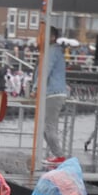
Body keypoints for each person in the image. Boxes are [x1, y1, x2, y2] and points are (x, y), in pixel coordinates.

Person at [34, 27, 69, 166]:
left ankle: (60, 156)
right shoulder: (51, 51)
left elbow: (45, 70)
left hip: (53, 93)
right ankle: (57, 155)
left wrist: (36, 87)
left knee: (49, 127)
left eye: (43, 35)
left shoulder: (52, 51)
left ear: (52, 37)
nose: (40, 38)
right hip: (51, 93)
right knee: (45, 128)